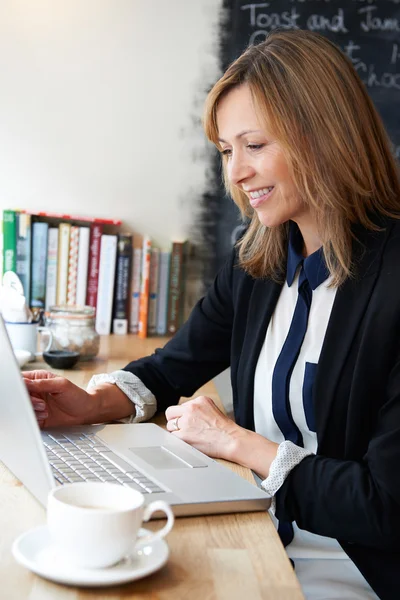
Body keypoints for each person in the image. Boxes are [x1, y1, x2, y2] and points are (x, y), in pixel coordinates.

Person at [24, 29, 400, 599]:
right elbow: (173, 366)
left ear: (324, 137)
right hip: (261, 536)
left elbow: (386, 506)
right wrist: (94, 403)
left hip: (355, 569)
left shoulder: (393, 282)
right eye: (227, 151)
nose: (237, 173)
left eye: (255, 145)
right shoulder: (261, 262)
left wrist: (235, 442)